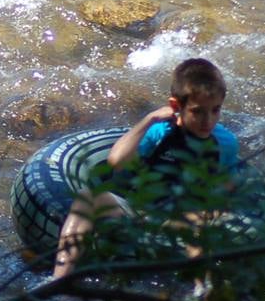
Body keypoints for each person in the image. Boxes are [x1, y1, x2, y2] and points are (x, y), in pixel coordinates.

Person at [52, 58, 238, 279]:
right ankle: (58, 281)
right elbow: (116, 161)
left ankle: (201, 295)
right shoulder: (160, 132)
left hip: (183, 218)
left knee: (199, 220)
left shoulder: (225, 142)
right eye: (197, 111)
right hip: (139, 211)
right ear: (177, 106)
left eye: (215, 110)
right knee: (88, 198)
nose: (208, 120)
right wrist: (148, 120)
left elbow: (227, 189)